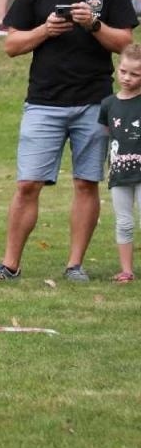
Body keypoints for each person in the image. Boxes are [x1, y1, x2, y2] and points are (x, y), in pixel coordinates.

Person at [0, 0, 138, 282]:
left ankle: (74, 265)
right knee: (27, 184)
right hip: (44, 102)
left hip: (93, 103)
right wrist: (44, 30)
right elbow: (11, 45)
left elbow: (126, 45)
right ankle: (9, 265)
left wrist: (94, 24)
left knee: (86, 183)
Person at [99, 43, 141, 283]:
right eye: (124, 71)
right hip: (119, 174)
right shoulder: (108, 104)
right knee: (123, 221)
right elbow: (109, 135)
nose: (127, 78)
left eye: (135, 74)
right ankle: (127, 270)